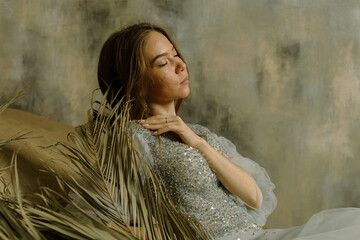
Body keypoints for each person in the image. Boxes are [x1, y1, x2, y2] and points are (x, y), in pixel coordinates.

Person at [96, 23, 360, 240]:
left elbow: (255, 198)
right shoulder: (133, 139)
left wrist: (199, 143)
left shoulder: (199, 133)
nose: (181, 65)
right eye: (163, 63)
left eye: (176, 54)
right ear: (136, 83)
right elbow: (101, 219)